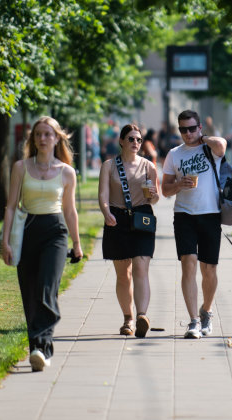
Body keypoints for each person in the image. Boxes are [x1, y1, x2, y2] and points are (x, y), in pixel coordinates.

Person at [0, 116, 83, 371]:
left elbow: (70, 211)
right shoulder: (20, 168)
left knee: (47, 289)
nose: (43, 139)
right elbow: (12, 207)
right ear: (33, 139)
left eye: (48, 134)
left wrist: (77, 243)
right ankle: (37, 348)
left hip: (56, 233)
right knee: (30, 293)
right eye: (38, 135)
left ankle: (43, 346)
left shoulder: (67, 172)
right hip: (27, 231)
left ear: (57, 138)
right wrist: (5, 241)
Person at [160, 110, 227, 339]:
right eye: (183, 129)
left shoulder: (210, 148)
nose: (187, 134)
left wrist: (203, 139)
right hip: (184, 215)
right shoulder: (173, 154)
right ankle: (193, 321)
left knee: (209, 270)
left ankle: (206, 311)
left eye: (191, 128)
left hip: (210, 214)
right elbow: (165, 190)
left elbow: (222, 145)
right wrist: (179, 185)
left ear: (199, 127)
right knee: (188, 263)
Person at [97, 124, 161, 337]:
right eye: (131, 139)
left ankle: (142, 315)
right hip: (117, 219)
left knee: (141, 267)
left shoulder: (148, 166)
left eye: (139, 140)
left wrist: (152, 194)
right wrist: (106, 213)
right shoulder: (109, 166)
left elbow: (156, 198)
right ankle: (128, 318)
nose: (136, 143)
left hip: (142, 217)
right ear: (122, 142)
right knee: (123, 274)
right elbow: (103, 195)